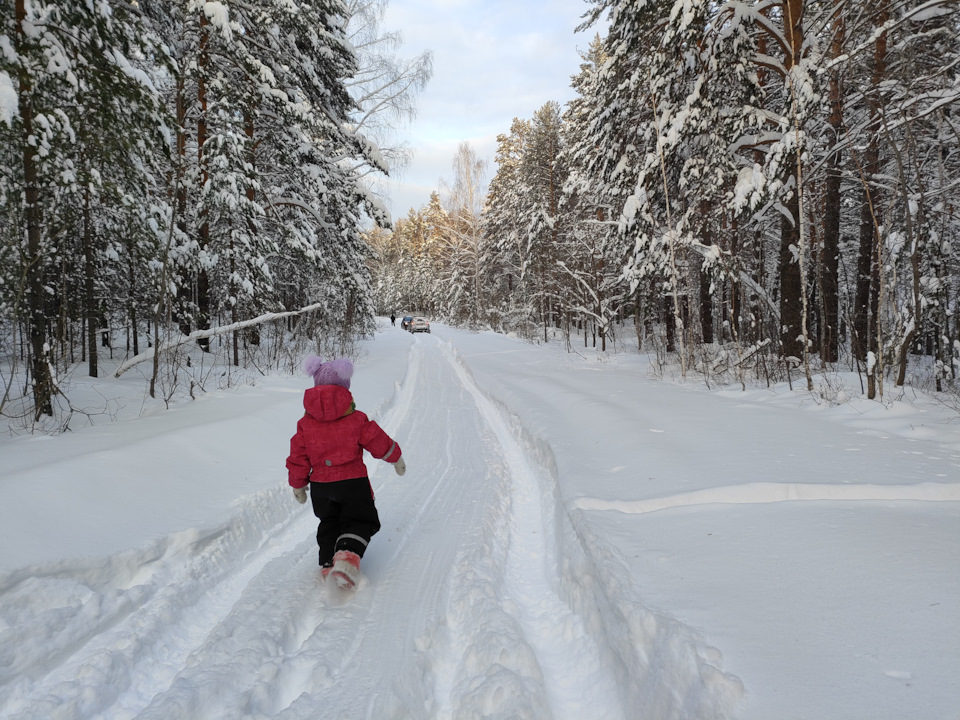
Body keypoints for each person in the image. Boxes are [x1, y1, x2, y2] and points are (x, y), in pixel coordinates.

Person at [286, 355, 406, 587]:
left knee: (329, 521)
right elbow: (377, 441)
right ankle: (346, 559)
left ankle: (328, 564)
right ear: (345, 388)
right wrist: (396, 457)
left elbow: (298, 457)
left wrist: (298, 484)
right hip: (353, 484)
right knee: (360, 519)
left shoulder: (305, 425)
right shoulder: (356, 419)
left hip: (321, 487)